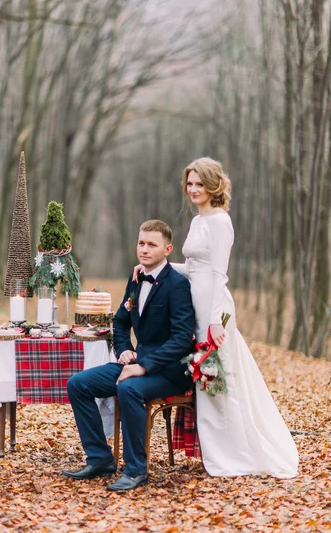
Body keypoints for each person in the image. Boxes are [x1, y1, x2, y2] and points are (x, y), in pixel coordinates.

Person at [134, 157, 299, 478]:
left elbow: (218, 275)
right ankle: (217, 451)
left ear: (214, 186)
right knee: (205, 385)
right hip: (194, 309)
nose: (193, 189)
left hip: (215, 312)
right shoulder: (198, 221)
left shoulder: (221, 222)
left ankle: (236, 453)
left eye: (200, 184)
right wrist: (151, 268)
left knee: (219, 384)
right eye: (190, 184)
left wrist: (214, 321)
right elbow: (194, 269)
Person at [62, 220, 195, 491]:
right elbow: (121, 321)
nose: (144, 249)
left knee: (129, 389)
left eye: (151, 244)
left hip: (170, 371)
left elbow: (182, 339)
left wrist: (144, 366)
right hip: (136, 362)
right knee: (78, 384)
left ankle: (136, 470)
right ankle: (100, 459)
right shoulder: (135, 279)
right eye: (141, 243)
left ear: (168, 249)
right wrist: (124, 350)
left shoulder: (177, 285)